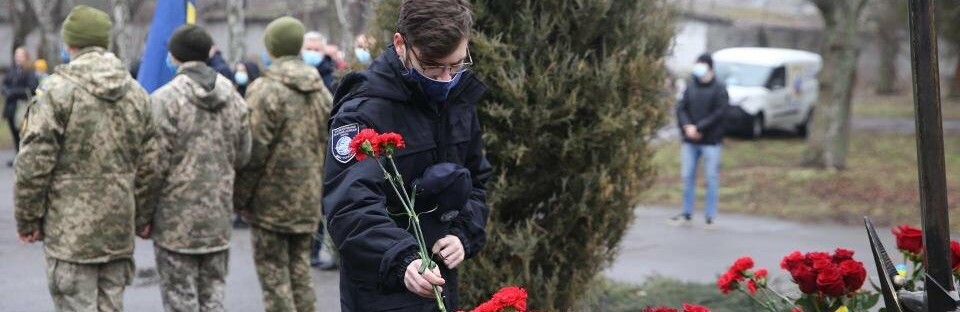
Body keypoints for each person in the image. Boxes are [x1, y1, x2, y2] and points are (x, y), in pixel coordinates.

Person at [323, 0, 491, 310]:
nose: (445, 79)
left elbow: (477, 180)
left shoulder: (458, 101)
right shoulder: (362, 112)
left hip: (441, 281)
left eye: (455, 66)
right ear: (401, 44)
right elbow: (349, 206)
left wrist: (462, 234)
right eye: (431, 66)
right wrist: (402, 257)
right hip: (381, 290)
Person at [14, 5, 160, 311]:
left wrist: (28, 218)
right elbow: (151, 163)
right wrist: (143, 216)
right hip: (117, 230)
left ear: (70, 44)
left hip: (70, 235)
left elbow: (33, 163)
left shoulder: (56, 91)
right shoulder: (136, 93)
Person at [143, 24, 252, 312]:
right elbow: (244, 156)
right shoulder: (234, 98)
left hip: (175, 223)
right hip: (217, 218)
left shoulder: (164, 100)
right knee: (213, 301)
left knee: (181, 303)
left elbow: (152, 165)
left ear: (175, 56)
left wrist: (142, 215)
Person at [234, 16, 333, 312]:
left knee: (275, 280)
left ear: (272, 47)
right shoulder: (321, 91)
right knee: (301, 274)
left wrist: (240, 198)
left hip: (271, 203)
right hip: (307, 200)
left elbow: (254, 153)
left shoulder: (264, 90)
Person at [670, 53, 728, 228]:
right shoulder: (690, 86)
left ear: (709, 67)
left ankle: (710, 217)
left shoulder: (719, 89)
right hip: (690, 141)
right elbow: (681, 109)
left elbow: (719, 113)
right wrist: (687, 127)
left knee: (711, 178)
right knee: (687, 177)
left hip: (710, 141)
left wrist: (699, 128)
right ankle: (686, 213)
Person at [2, 46, 38, 162]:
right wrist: (6, 91)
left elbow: (32, 88)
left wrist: (14, 92)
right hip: (11, 107)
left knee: (23, 134)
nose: (18, 58)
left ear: (26, 57)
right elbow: (5, 84)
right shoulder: (12, 70)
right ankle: (18, 156)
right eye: (16, 55)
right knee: (14, 134)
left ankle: (24, 158)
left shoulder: (29, 71)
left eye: (20, 55)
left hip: (22, 108)